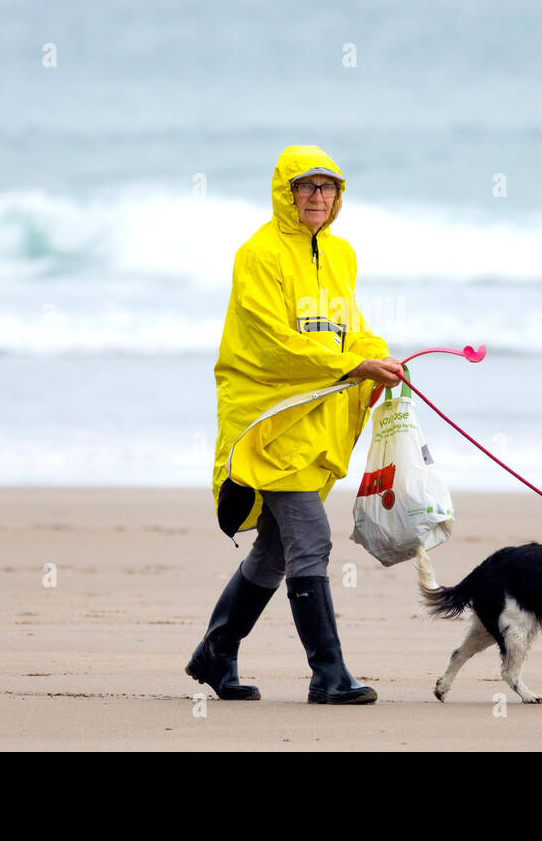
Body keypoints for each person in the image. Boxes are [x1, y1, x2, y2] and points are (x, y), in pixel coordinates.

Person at [186, 145, 403, 705]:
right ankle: (328, 674)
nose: (317, 198)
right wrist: (351, 365)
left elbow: (347, 329)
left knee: (276, 550)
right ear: (286, 192)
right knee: (311, 538)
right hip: (267, 421)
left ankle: (216, 652)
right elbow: (273, 345)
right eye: (306, 187)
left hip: (314, 420)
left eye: (328, 188)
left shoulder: (340, 254)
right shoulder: (257, 254)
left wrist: (380, 357)